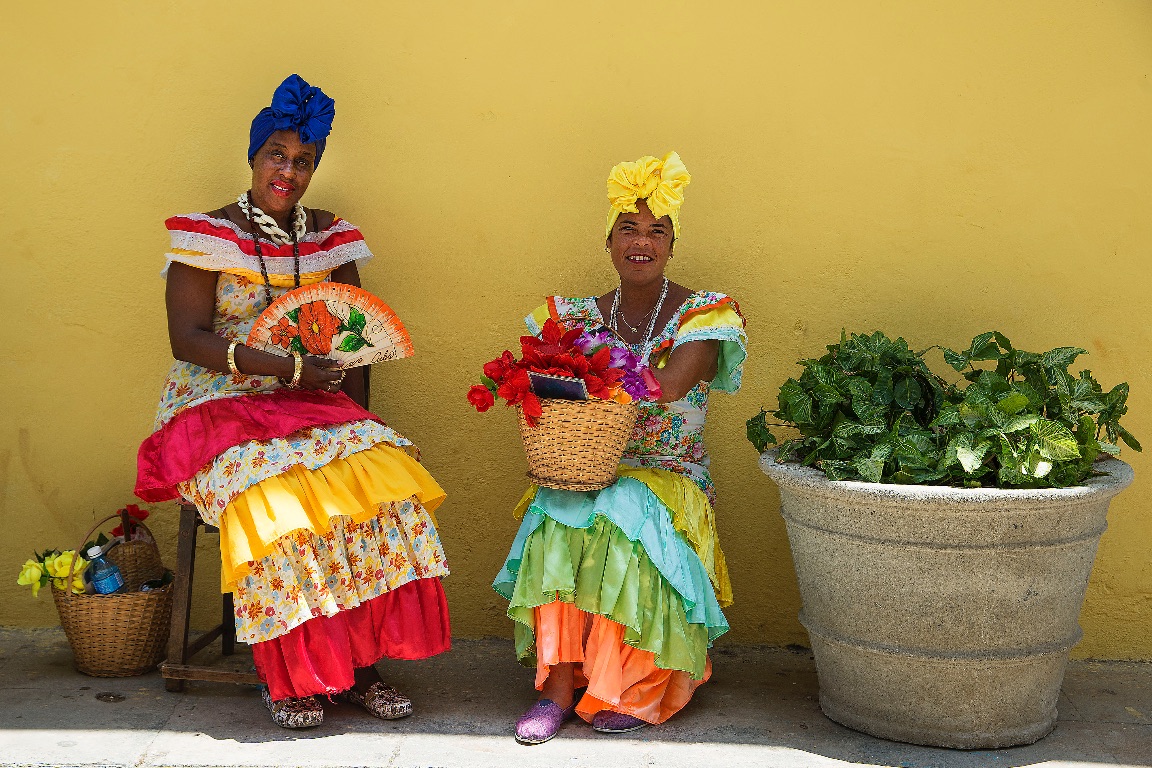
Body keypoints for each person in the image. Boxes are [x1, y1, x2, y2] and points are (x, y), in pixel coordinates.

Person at [135, 74, 450, 729]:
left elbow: (354, 340)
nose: (289, 170)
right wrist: (283, 366)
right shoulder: (208, 235)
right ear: (254, 156)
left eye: (303, 160)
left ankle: (358, 668)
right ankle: (291, 677)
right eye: (277, 154)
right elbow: (187, 337)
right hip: (214, 407)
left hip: (310, 405)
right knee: (274, 499)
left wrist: (359, 422)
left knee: (381, 485)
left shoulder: (332, 239)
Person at [493, 152, 747, 744]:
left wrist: (582, 375)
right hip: (586, 467)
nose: (642, 242)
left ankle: (627, 686)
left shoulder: (705, 314)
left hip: (669, 475)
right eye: (628, 229)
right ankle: (557, 688)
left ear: (672, 244)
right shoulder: (572, 315)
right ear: (608, 241)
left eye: (656, 230)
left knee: (619, 514)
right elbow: (540, 380)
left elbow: (671, 384)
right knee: (556, 511)